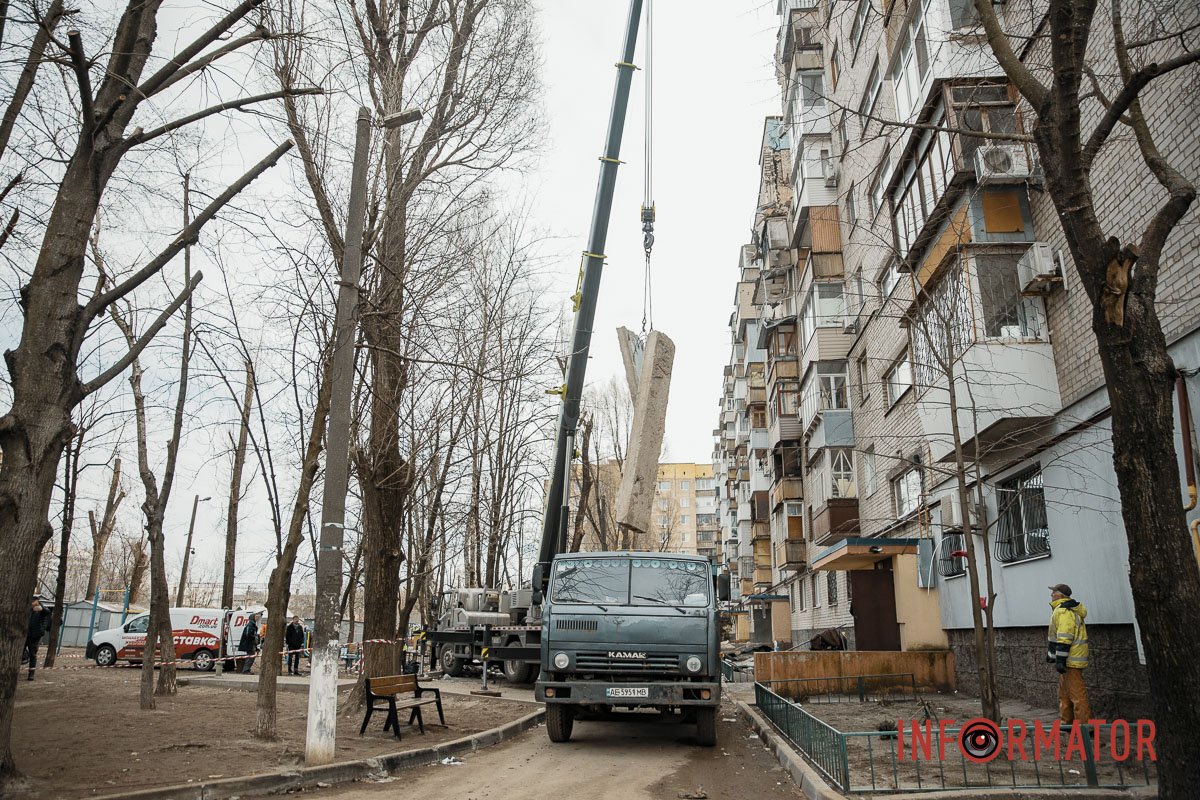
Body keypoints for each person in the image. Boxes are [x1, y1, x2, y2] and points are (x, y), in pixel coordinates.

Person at [1047, 583, 1091, 724]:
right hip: (1070, 659)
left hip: (1071, 660)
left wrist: (1059, 659)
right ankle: (1066, 723)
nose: (1051, 595)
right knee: (1065, 694)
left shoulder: (1063, 611)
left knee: (1077, 695)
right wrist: (1052, 654)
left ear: (1059, 595)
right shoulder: (1065, 609)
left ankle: (1085, 727)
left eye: (1053, 593)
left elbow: (1065, 637)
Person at [25, 597, 51, 681]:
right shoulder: (26, 609)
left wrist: (41, 607)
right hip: (24, 634)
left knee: (32, 654)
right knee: (20, 652)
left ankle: (31, 674)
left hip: (35, 635)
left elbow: (47, 612)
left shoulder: (40, 610)